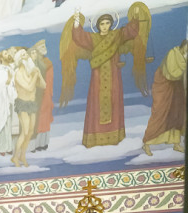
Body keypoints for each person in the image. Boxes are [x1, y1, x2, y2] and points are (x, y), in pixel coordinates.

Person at [60, 9, 151, 149]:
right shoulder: (93, 38)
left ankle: (115, 137)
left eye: (107, 23)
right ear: (98, 25)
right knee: (96, 104)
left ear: (111, 24)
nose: (105, 26)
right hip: (98, 78)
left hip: (114, 76)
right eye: (102, 23)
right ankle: (95, 138)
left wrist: (137, 16)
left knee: (114, 101)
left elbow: (129, 32)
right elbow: (79, 37)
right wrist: (77, 22)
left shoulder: (116, 35)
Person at [142, 41, 187, 156]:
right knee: (160, 114)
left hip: (176, 87)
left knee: (176, 114)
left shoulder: (183, 56)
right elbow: (172, 73)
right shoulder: (173, 54)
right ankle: (147, 143)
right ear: (183, 45)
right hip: (164, 86)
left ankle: (176, 144)